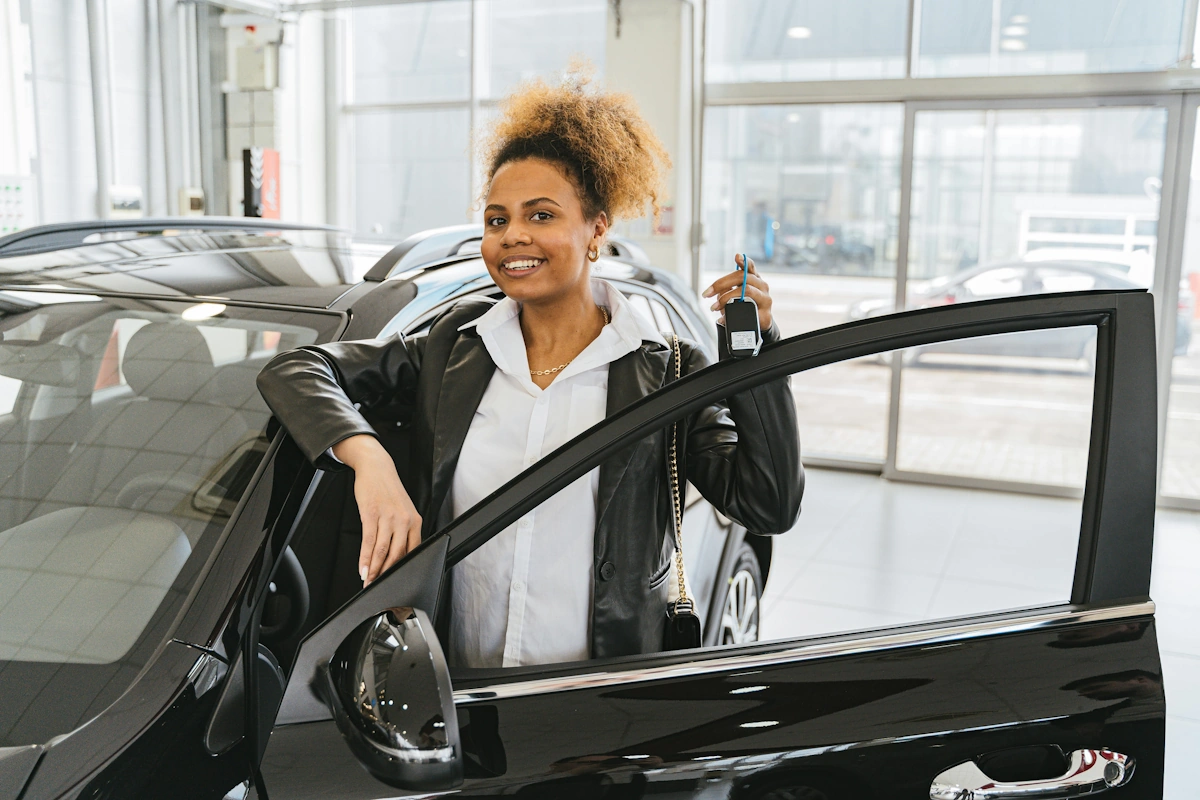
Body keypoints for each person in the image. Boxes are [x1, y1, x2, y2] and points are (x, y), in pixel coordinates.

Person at [256, 70, 802, 669]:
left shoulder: (666, 369)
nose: (513, 235)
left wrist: (759, 354)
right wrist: (369, 459)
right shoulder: (452, 347)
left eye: (541, 215)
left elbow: (768, 503)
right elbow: (298, 368)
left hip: (595, 701)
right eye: (497, 219)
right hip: (452, 688)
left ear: (597, 228)